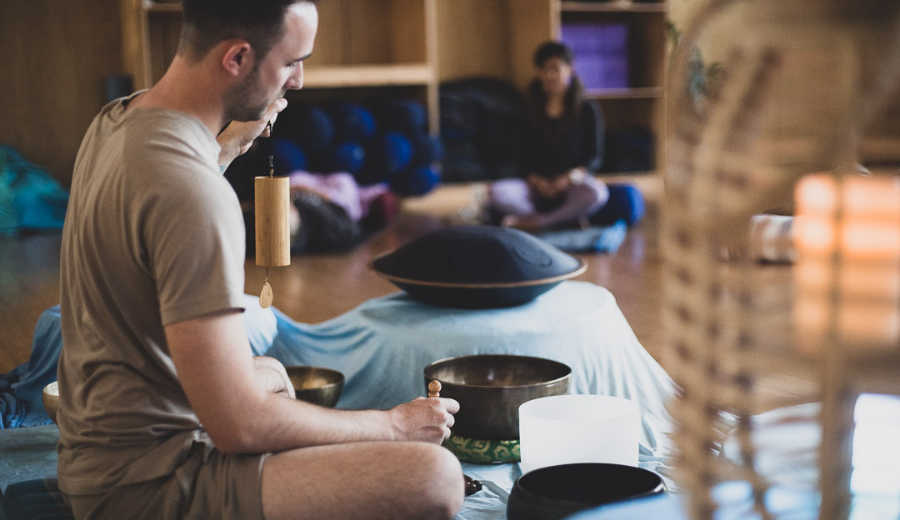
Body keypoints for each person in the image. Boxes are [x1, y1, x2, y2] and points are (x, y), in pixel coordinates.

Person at [56, 1, 465, 519]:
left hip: (96, 457)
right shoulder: (193, 194)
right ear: (238, 59)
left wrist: (227, 150)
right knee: (435, 476)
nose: (298, 80)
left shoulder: (113, 123)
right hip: (147, 486)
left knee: (270, 370)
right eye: (292, 61)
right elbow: (239, 427)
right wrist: (393, 426)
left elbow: (164, 195)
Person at [489, 41, 609, 231]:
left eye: (556, 68)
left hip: (571, 185)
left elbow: (594, 157)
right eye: (544, 69)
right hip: (536, 187)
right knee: (497, 193)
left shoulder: (587, 109)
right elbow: (519, 155)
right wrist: (534, 180)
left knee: (597, 193)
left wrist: (569, 178)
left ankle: (538, 223)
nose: (550, 75)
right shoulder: (528, 107)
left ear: (570, 69)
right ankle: (562, 220)